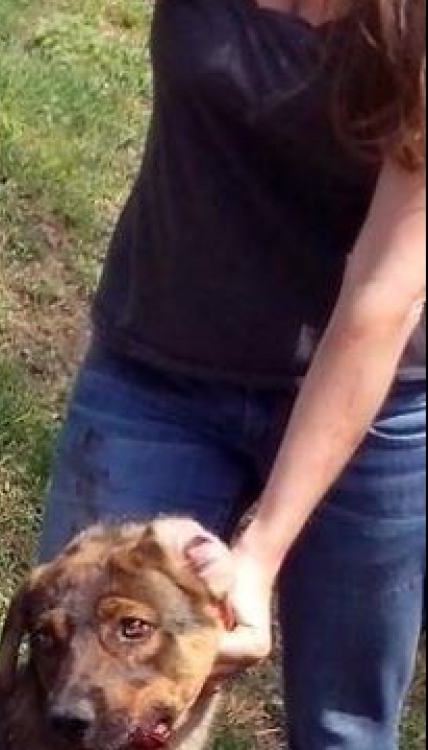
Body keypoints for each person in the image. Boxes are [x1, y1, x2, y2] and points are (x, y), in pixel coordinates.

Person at [39, 0, 427, 747]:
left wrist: (262, 550)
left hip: (375, 408)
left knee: (342, 730)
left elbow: (380, 299)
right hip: (156, 375)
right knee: (74, 684)